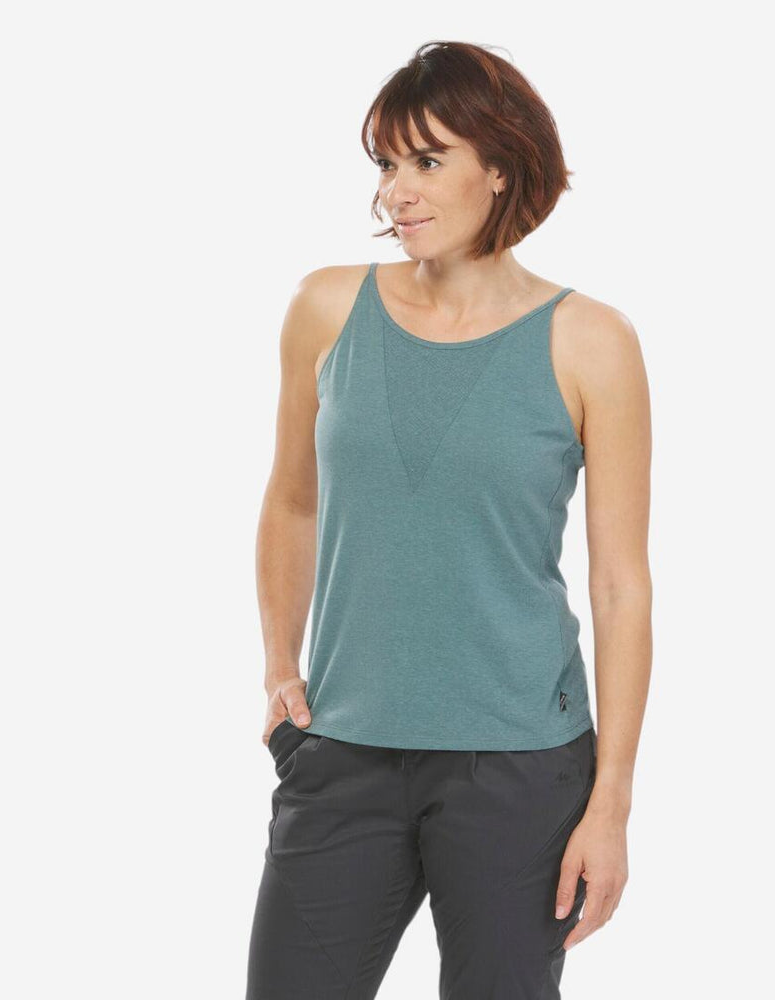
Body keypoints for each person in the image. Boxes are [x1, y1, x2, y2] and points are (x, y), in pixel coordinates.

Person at [246, 40, 652, 1000]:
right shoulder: (326, 308)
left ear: (500, 166)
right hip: (343, 750)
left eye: (428, 161)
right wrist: (280, 668)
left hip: (520, 767)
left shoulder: (592, 342)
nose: (398, 192)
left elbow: (619, 584)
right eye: (388, 164)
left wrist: (611, 806)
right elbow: (292, 498)